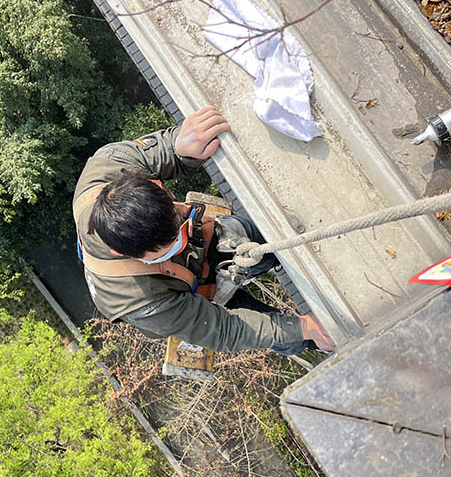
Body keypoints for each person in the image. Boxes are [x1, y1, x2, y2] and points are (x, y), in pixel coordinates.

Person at [72, 106, 334, 355]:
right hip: (190, 294)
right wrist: (303, 327)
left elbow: (166, 149)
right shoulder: (143, 303)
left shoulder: (110, 164)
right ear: (121, 254)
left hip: (206, 244)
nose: (180, 240)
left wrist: (180, 147)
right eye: (171, 245)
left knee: (268, 235)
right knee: (290, 334)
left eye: (178, 225)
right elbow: (226, 330)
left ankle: (285, 254)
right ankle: (311, 341)